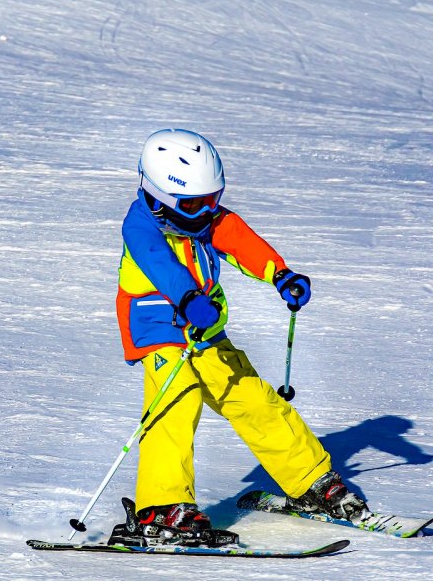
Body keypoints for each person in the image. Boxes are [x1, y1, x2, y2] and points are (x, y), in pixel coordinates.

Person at [112, 128, 367, 546]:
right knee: (176, 403)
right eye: (196, 203)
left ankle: (310, 482)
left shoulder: (203, 219)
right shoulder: (141, 227)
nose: (208, 211)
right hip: (159, 327)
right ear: (159, 197)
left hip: (204, 330)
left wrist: (279, 274)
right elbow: (161, 266)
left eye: (213, 199)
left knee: (255, 400)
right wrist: (190, 298)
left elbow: (238, 239)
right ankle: (161, 507)